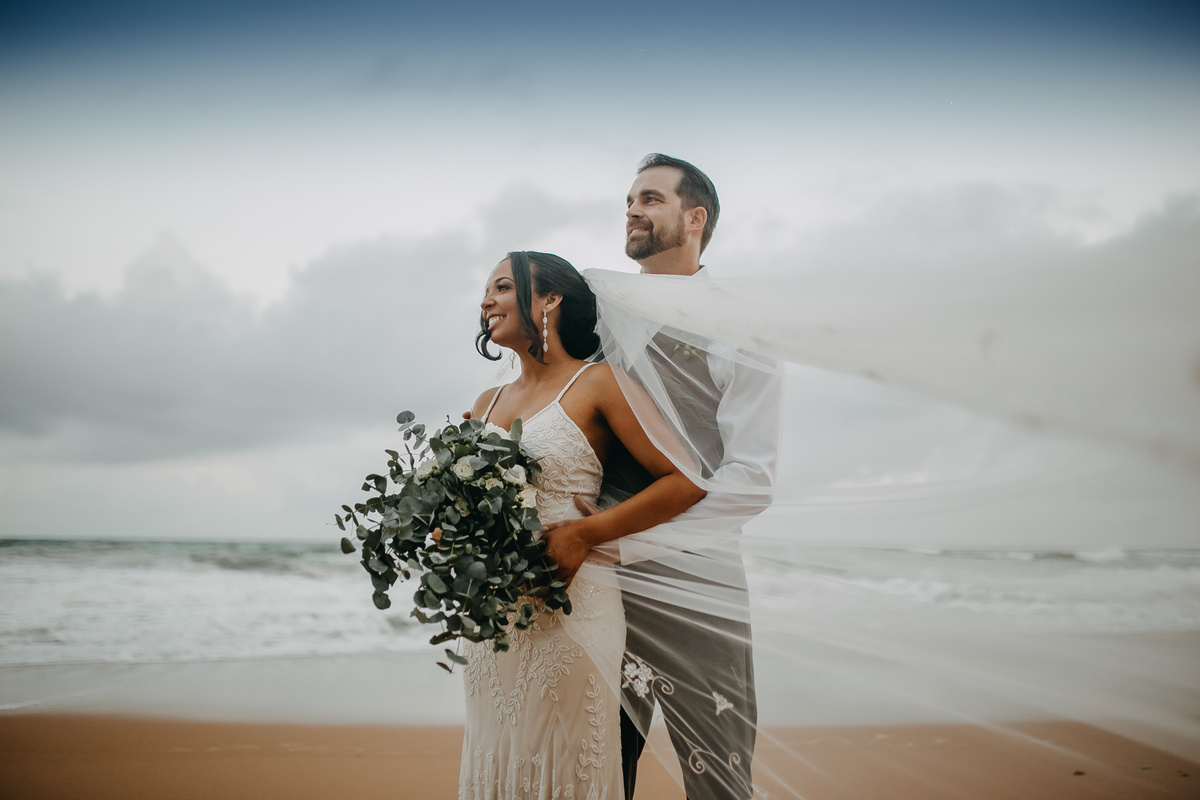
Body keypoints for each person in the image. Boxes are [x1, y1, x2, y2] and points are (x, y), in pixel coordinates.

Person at [551, 154, 784, 800]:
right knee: (598, 768)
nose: (632, 209)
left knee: (717, 772)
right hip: (593, 585)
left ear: (695, 218)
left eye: (650, 199)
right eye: (628, 200)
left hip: (697, 588)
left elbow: (751, 481)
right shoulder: (596, 313)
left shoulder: (741, 327)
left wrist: (621, 541)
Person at [457, 250, 706, 800]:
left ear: (549, 300)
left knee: (568, 762)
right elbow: (464, 505)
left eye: (502, 286)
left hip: (574, 603)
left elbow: (684, 482)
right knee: (497, 758)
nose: (485, 301)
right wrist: (448, 534)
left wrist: (588, 532)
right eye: (486, 290)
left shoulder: (598, 383)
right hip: (495, 616)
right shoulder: (485, 403)